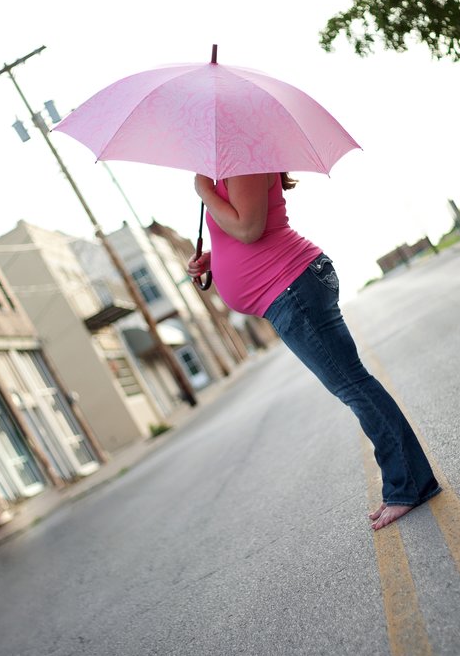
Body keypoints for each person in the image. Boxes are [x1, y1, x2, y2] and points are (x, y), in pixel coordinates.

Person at [187, 172, 441, 530]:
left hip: (292, 287)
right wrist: (213, 260)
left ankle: (408, 485)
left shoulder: (241, 159)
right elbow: (250, 230)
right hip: (287, 290)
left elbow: (248, 229)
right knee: (352, 386)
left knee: (353, 386)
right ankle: (407, 482)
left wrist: (202, 191)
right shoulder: (228, 168)